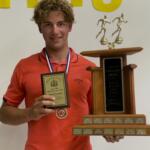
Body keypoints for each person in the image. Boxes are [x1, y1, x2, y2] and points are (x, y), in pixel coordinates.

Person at [0, 0, 123, 150]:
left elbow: (98, 115)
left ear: (70, 26)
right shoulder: (24, 66)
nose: (55, 31)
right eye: (47, 24)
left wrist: (110, 129)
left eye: (61, 24)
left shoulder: (89, 68)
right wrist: (29, 113)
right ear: (40, 28)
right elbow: (4, 114)